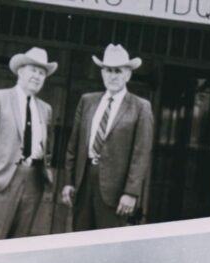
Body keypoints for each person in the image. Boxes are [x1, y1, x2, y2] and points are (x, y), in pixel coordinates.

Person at [0, 47, 57, 242]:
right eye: (33, 70)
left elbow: (47, 146)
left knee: (19, 243)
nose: (37, 76)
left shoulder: (46, 109)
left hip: (34, 179)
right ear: (20, 71)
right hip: (3, 179)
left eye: (42, 73)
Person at [61, 45, 153, 231]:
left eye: (118, 71)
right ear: (102, 73)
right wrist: (69, 181)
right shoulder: (87, 101)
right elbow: (74, 146)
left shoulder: (140, 107)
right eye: (108, 71)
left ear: (128, 75)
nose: (113, 76)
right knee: (80, 239)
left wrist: (131, 192)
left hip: (116, 190)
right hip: (84, 181)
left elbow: (141, 154)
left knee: (108, 244)